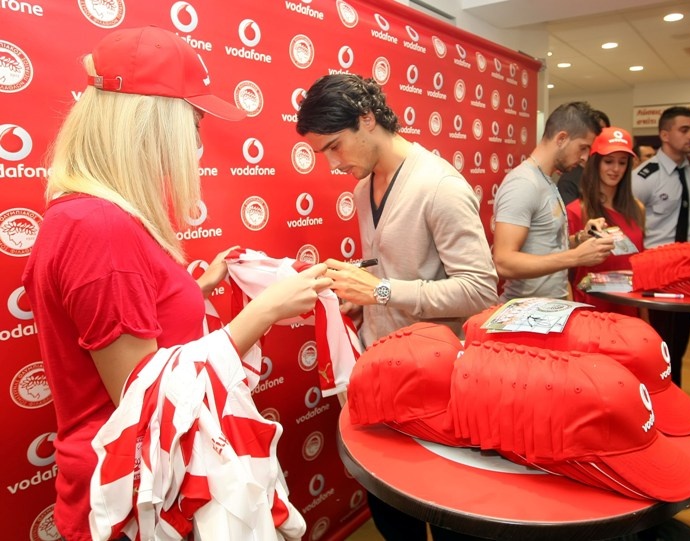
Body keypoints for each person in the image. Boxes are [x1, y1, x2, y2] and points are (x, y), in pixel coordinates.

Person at [21, 27, 332, 541]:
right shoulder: (98, 228)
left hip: (149, 491)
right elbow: (146, 400)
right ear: (150, 124)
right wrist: (264, 312)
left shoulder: (95, 219)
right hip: (135, 500)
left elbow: (140, 331)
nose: (199, 141)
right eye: (194, 120)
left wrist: (199, 290)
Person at [296, 73, 498, 541]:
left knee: (448, 512)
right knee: (391, 511)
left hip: (437, 380)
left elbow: (480, 290)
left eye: (334, 147)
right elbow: (390, 269)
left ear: (367, 120)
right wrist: (357, 297)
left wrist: (380, 292)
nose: (331, 164)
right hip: (381, 373)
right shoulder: (362, 188)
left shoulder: (440, 186)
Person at [493, 101, 615, 302]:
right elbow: (504, 262)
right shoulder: (523, 183)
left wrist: (580, 239)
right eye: (582, 148)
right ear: (562, 139)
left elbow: (544, 245)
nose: (585, 158)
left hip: (548, 312)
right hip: (525, 317)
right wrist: (576, 257)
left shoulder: (546, 180)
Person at [632, 106, 690, 387]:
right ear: (665, 134)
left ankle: (677, 396)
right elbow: (630, 224)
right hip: (657, 275)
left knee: (680, 342)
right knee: (658, 343)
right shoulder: (644, 176)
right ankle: (659, 401)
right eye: (684, 130)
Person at [566, 127, 645, 316]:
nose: (615, 169)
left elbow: (639, 268)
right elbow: (565, 272)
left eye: (622, 162)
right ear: (596, 163)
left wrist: (644, 315)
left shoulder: (637, 209)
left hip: (629, 308)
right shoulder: (576, 211)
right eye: (608, 161)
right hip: (591, 310)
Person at [556, 109, 610, 205]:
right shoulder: (569, 179)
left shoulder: (610, 173)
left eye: (601, 132)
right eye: (594, 131)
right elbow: (572, 217)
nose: (597, 137)